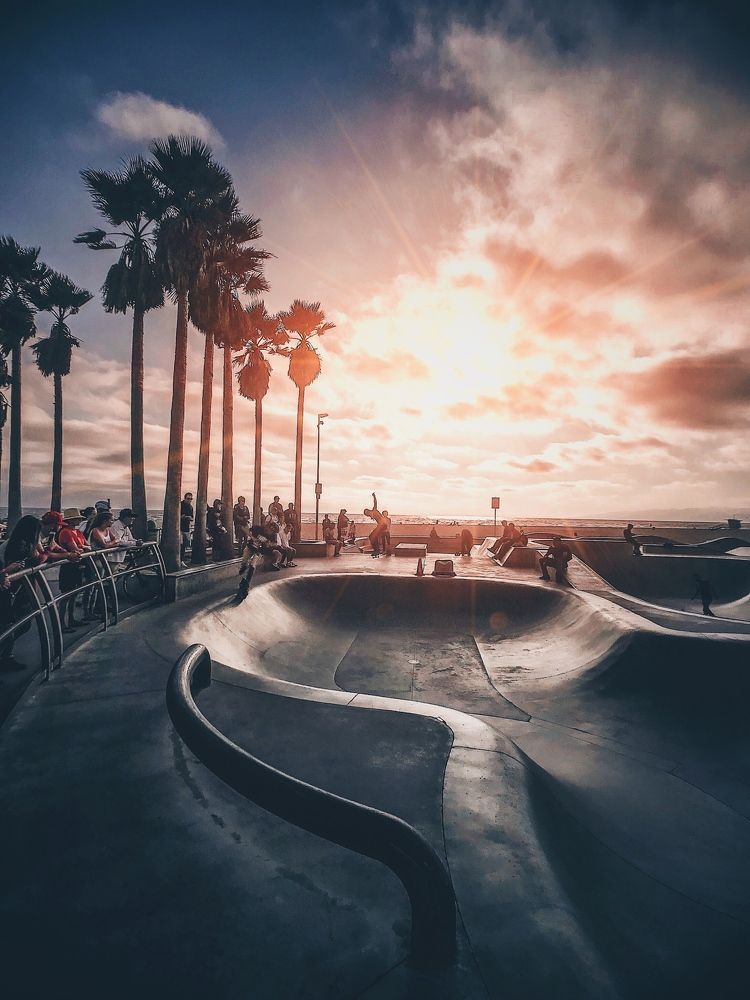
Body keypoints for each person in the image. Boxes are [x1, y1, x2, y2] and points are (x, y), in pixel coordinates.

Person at [0, 516, 48, 670]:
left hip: (14, 588)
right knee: (13, 622)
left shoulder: (19, 542)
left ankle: (6, 654)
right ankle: (5, 656)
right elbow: (34, 560)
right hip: (11, 590)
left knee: (15, 622)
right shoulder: (19, 545)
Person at [56, 508, 90, 630]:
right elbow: (75, 549)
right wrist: (83, 548)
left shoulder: (77, 532)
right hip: (68, 566)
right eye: (76, 518)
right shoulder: (65, 532)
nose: (78, 520)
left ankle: (71, 619)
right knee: (66, 596)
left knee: (74, 594)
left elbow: (86, 546)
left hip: (78, 566)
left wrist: (82, 548)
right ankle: (61, 624)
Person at [364, 492, 389, 558]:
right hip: (381, 526)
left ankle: (377, 550)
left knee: (372, 536)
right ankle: (376, 550)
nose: (368, 515)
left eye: (367, 513)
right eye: (367, 515)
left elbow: (375, 502)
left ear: (368, 510)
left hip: (382, 525)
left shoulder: (374, 510)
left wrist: (374, 496)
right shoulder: (372, 514)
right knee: (372, 536)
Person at [180, 492, 194, 563]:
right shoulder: (180, 505)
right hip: (179, 528)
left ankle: (181, 559)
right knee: (180, 544)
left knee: (184, 544)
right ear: (184, 498)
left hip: (186, 528)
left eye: (191, 499)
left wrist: (188, 517)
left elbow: (192, 518)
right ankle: (179, 560)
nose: (189, 500)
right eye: (188, 499)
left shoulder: (190, 507)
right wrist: (183, 517)